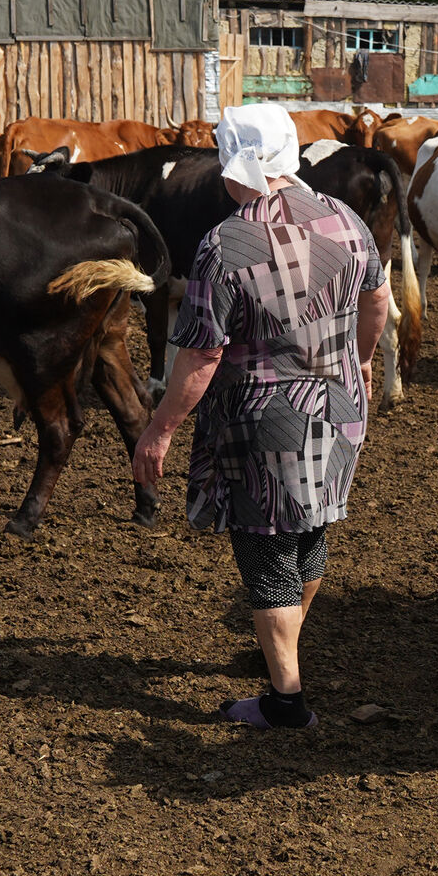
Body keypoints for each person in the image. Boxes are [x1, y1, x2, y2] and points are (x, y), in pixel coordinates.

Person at [133, 105, 392, 729]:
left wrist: (159, 428)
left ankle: (285, 701)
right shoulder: (346, 219)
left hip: (263, 425)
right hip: (338, 409)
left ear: (237, 163)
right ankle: (285, 654)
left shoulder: (225, 245)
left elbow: (200, 353)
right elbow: (377, 298)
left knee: (268, 558)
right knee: (311, 535)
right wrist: (355, 361)